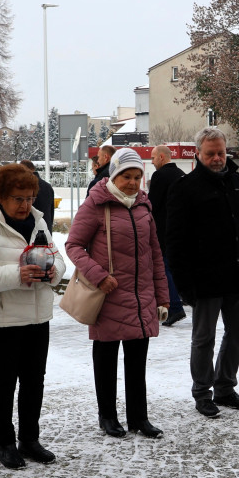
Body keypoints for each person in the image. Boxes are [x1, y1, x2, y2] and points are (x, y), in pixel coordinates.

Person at [0, 163, 66, 469]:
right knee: (4, 381)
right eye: (18, 198)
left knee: (35, 380)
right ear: (1, 196)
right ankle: (5, 443)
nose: (25, 205)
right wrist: (16, 275)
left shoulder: (38, 223)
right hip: (0, 319)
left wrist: (51, 272)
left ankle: (30, 439)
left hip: (37, 315)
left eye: (30, 197)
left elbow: (58, 261)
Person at [66, 149, 169, 439]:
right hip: (107, 296)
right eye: (127, 176)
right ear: (114, 175)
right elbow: (74, 245)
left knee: (137, 362)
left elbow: (155, 254)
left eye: (138, 177)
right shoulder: (96, 204)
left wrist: (162, 296)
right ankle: (107, 417)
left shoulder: (143, 206)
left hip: (141, 298)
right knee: (106, 359)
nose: (133, 182)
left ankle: (139, 418)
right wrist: (99, 277)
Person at [165, 127, 239, 419]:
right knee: (204, 339)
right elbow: (174, 241)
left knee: (238, 332)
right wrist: (184, 284)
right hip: (204, 279)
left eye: (221, 152)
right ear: (199, 154)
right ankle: (202, 392)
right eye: (210, 153)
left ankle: (225, 387)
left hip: (238, 275)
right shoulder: (185, 188)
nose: (217, 158)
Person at [148, 145, 187, 326]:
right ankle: (182, 300)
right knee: (175, 268)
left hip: (162, 232)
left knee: (164, 270)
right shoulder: (181, 174)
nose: (152, 161)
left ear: (162, 158)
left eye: (154, 158)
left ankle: (175, 308)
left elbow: (151, 205)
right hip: (181, 230)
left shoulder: (159, 176)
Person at [20, 160, 55, 233]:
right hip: (46, 230)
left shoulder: (23, 186)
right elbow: (51, 211)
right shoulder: (47, 186)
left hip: (30, 231)